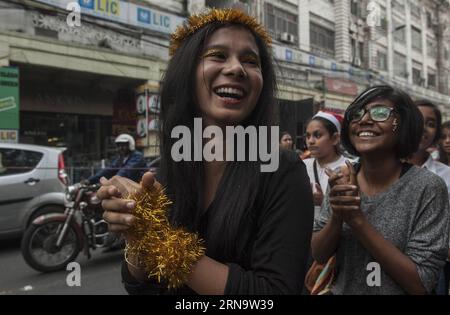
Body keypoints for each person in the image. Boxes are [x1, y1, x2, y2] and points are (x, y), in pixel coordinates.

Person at [96, 9, 314, 295]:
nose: (236, 68)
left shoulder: (282, 169)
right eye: (218, 55)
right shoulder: (168, 171)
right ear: (185, 73)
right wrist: (137, 237)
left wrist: (162, 241)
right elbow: (142, 288)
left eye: (251, 61)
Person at [312, 85, 450, 294]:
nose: (364, 120)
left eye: (380, 112)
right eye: (357, 114)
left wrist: (357, 220)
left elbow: (421, 284)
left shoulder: (428, 187)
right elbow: (319, 254)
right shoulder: (342, 178)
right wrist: (338, 215)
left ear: (404, 124)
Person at [408, 100, 450, 296]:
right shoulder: (380, 169)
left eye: (431, 123)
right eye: (417, 119)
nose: (422, 127)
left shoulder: (446, 175)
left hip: (431, 268)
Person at [303, 111, 349, 219]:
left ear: (335, 138)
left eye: (317, 135)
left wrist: (324, 201)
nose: (310, 141)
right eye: (308, 136)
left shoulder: (349, 167)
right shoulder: (302, 166)